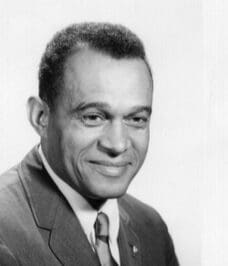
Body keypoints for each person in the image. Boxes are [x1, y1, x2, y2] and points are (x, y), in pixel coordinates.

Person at [0, 22, 179, 266]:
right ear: (40, 117)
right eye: (93, 117)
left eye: (136, 119)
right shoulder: (4, 232)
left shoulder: (151, 228)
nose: (117, 144)